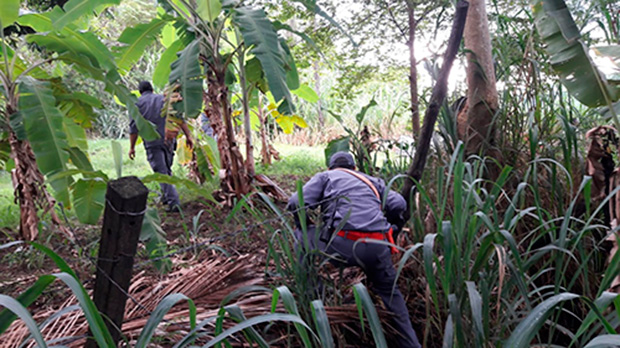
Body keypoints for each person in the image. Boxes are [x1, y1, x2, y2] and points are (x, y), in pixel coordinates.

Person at [287, 151, 421, 348]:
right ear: (355, 169)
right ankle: (411, 343)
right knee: (392, 295)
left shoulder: (326, 177)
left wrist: (305, 224)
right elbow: (399, 204)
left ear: (330, 167)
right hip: (378, 246)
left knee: (301, 238)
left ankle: (317, 295)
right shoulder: (372, 180)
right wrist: (392, 228)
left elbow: (296, 203)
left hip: (344, 245)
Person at [128, 81, 193, 213]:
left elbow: (133, 128)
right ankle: (166, 197)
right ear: (152, 89)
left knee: (162, 172)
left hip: (152, 141)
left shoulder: (137, 104)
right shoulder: (164, 99)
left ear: (140, 92)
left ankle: (174, 203)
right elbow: (178, 118)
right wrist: (189, 136)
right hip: (169, 138)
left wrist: (132, 147)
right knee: (166, 169)